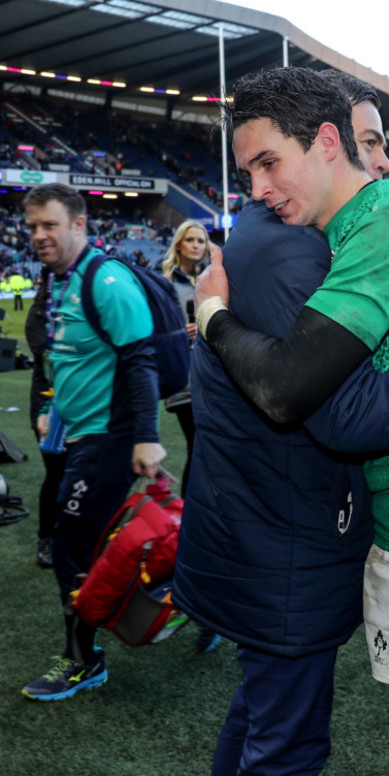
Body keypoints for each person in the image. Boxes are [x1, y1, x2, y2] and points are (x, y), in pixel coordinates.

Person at [173, 72, 389, 776]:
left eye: (269, 163)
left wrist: (210, 315)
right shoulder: (337, 229)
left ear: (325, 144)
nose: (258, 188)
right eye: (250, 171)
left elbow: (299, 392)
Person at [20, 183, 166, 701]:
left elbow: (140, 361)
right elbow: (68, 357)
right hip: (81, 433)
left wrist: (147, 438)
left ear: (79, 225)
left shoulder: (106, 279)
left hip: (112, 436)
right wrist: (48, 410)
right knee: (102, 541)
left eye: (50, 225)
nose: (39, 235)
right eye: (34, 226)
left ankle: (84, 661)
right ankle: (205, 602)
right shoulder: (61, 279)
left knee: (69, 548)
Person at [159, 220, 209, 499]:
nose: (196, 246)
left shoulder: (212, 276)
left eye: (201, 241)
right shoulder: (164, 281)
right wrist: (179, 333)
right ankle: (188, 508)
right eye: (190, 240)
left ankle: (199, 506)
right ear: (179, 243)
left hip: (209, 371)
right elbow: (150, 328)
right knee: (197, 442)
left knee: (208, 444)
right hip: (181, 373)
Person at [24, 276, 67, 569]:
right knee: (55, 475)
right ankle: (46, 540)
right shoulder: (38, 313)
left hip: (85, 402)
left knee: (81, 474)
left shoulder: (86, 307)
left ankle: (73, 536)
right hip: (48, 403)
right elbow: (45, 356)